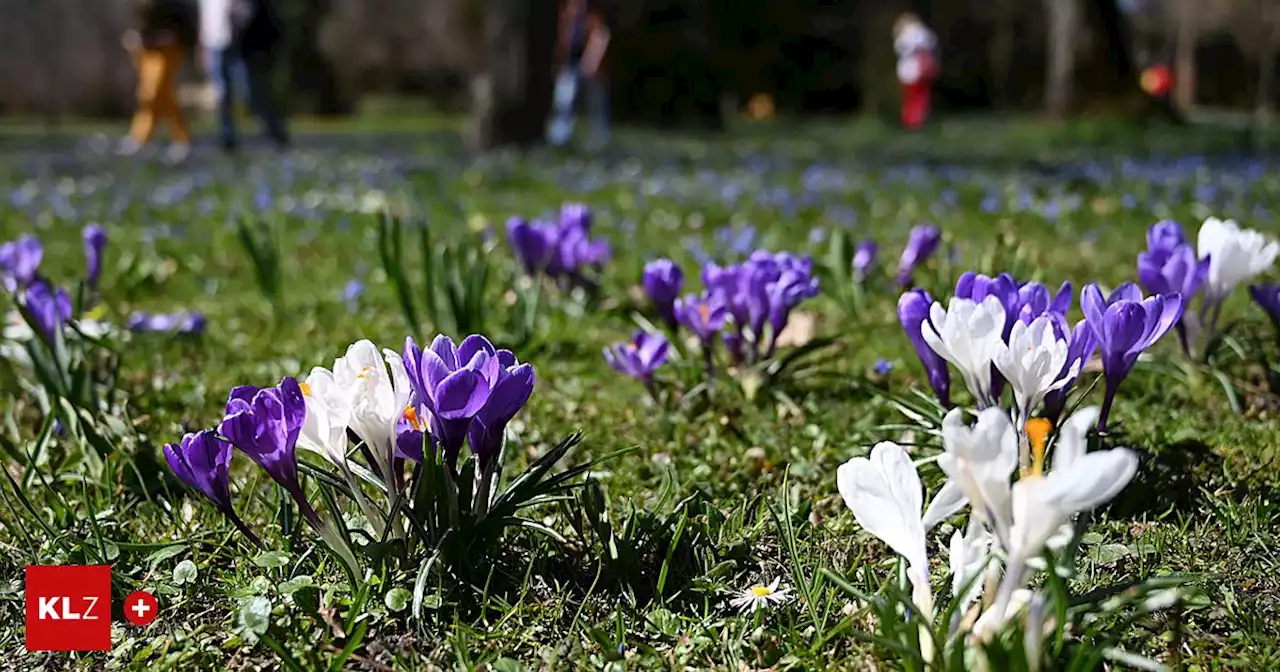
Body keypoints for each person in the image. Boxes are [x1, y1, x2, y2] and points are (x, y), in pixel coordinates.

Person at [199, 0, 289, 152]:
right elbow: (205, 20)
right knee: (222, 94)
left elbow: (248, 10)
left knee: (249, 92)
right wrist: (201, 48)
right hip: (214, 45)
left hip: (239, 44)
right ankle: (227, 139)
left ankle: (275, 131)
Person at [119, 0, 198, 161]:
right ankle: (148, 136)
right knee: (151, 94)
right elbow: (139, 20)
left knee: (155, 92)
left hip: (167, 49)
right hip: (147, 49)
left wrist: (174, 36)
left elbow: (184, 24)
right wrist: (134, 36)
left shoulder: (172, 4)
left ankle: (147, 137)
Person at [547, 0, 611, 149]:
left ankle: (600, 139)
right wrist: (558, 62)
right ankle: (559, 138)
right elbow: (562, 44)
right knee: (563, 100)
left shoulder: (594, 18)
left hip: (591, 65)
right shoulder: (566, 18)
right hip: (570, 64)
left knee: (596, 102)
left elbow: (600, 38)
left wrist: (592, 62)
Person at [893, 13, 938, 131]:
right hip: (917, 70)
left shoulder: (902, 36)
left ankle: (910, 121)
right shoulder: (919, 33)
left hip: (908, 72)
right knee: (919, 97)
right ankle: (916, 121)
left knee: (910, 98)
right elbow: (930, 45)